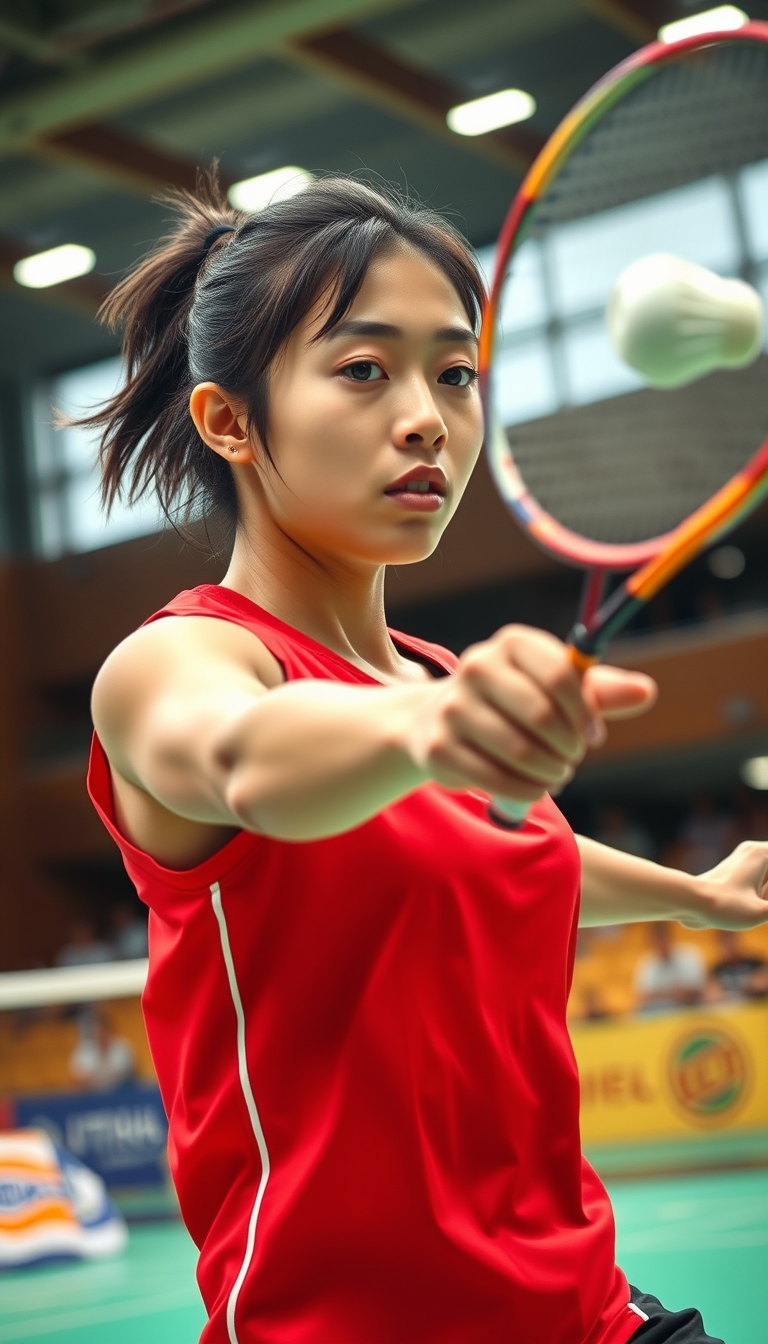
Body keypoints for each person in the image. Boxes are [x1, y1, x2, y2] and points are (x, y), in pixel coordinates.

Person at [81, 174, 768, 1344]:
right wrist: (429, 737)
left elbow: (512, 850)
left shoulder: (436, 679)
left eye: (455, 373)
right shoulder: (178, 664)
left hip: (583, 1306)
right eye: (364, 370)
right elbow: (246, 760)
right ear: (229, 422)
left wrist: (694, 898)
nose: (427, 418)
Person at [634, 921, 707, 1013]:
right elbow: (643, 997)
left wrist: (659, 993)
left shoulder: (688, 954)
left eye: (662, 938)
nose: (660, 943)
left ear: (669, 936)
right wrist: (674, 992)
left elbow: (694, 992)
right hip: (658, 1012)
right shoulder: (646, 963)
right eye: (656, 939)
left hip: (688, 1008)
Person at [70, 1006, 136, 1091]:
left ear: (109, 1031)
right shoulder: (84, 1050)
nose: (100, 1036)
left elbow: (126, 1074)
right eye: (96, 1032)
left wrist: (95, 1078)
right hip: (92, 1097)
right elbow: (77, 1078)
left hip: (120, 1094)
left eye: (102, 1032)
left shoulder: (122, 1048)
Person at [705, 929, 768, 1001]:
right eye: (724, 941)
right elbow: (710, 994)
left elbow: (763, 982)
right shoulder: (716, 969)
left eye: (730, 939)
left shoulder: (756, 963)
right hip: (730, 1010)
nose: (728, 944)